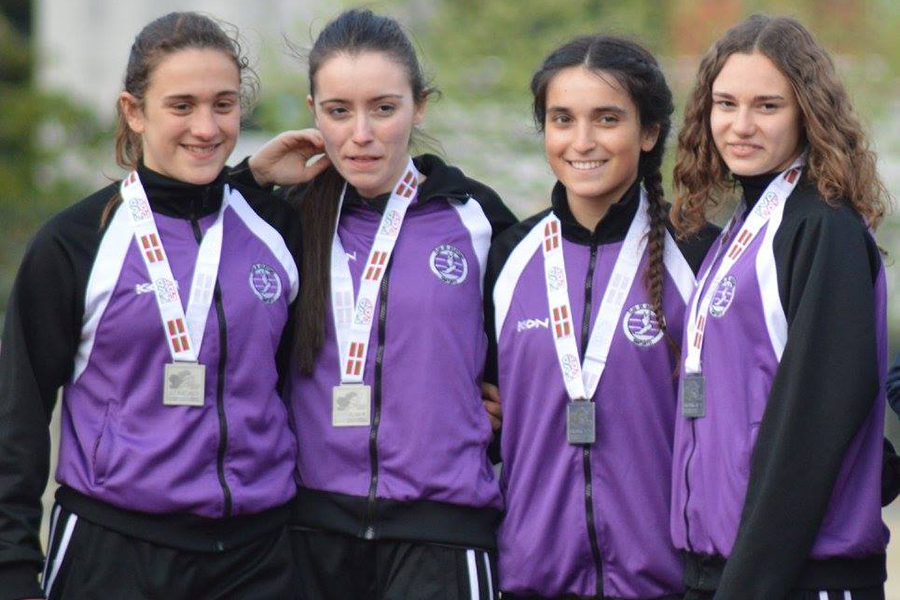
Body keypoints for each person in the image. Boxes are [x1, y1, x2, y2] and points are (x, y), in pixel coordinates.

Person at [0, 12, 302, 600]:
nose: (207, 126)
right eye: (181, 106)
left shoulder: (275, 230)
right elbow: (18, 415)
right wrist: (10, 566)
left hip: (258, 556)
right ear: (134, 112)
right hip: (113, 552)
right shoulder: (76, 242)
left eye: (224, 104)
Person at [243, 8, 517, 600]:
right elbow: (181, 246)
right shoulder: (285, 218)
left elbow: (533, 347)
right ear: (313, 110)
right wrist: (247, 180)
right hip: (308, 534)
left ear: (419, 106)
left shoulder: (476, 218)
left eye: (384, 108)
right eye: (339, 111)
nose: (361, 134)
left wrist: (489, 418)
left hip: (442, 532)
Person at [482, 35, 717, 600]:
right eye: (562, 119)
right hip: (532, 578)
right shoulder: (508, 255)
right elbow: (481, 403)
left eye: (606, 119)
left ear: (650, 131)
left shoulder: (700, 256)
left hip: (669, 581)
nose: (581, 141)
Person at [669, 14, 892, 600]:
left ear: (808, 115)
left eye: (767, 106)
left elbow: (813, 424)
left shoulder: (824, 228)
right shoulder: (742, 228)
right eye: (725, 103)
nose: (740, 126)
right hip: (725, 570)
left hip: (789, 579)